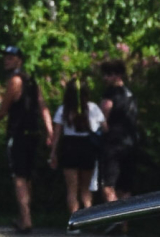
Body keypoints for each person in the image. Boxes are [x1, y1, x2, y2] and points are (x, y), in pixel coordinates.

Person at [0, 68, 46, 232]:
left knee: (19, 177)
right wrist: (49, 131)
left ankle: (26, 220)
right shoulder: (34, 84)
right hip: (34, 134)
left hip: (18, 135)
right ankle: (24, 217)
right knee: (27, 178)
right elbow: (43, 107)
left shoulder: (14, 81)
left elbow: (3, 110)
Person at [52, 80, 101, 217]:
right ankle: (89, 219)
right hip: (87, 146)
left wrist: (53, 154)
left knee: (72, 189)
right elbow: (105, 127)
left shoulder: (63, 110)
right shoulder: (93, 108)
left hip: (69, 147)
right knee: (85, 189)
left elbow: (56, 135)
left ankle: (76, 223)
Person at [95, 64, 139, 203]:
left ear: (117, 75)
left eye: (108, 74)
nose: (105, 78)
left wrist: (102, 128)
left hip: (113, 144)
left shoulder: (111, 93)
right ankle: (124, 224)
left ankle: (113, 219)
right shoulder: (130, 94)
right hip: (130, 143)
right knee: (125, 187)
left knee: (108, 186)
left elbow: (102, 116)